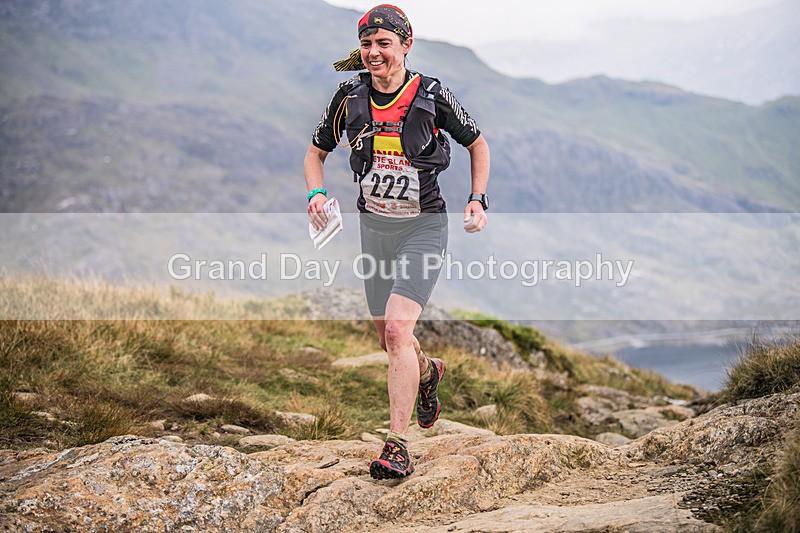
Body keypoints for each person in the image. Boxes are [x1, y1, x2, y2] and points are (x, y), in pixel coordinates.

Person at [304, 4, 490, 479]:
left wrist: (477, 199)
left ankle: (398, 445)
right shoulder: (348, 96)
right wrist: (317, 193)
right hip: (374, 230)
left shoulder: (431, 94)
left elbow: (477, 144)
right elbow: (315, 153)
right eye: (366, 44)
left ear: (406, 45)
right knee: (389, 337)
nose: (373, 53)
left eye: (384, 43)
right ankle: (427, 373)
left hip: (424, 226)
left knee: (395, 330)